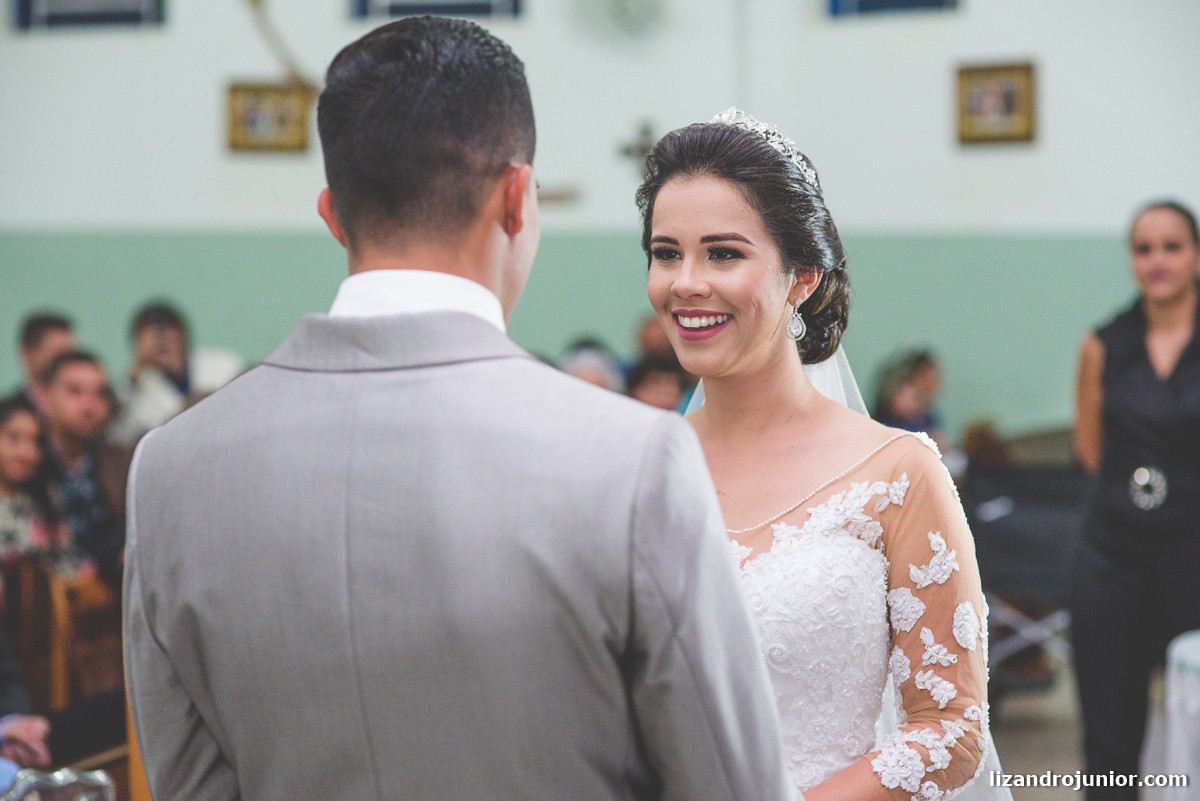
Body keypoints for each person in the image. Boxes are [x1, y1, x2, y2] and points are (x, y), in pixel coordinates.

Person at [124, 18, 795, 801]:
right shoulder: (633, 460)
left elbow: (187, 784)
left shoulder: (169, 466)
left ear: (333, 213)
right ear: (517, 198)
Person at [638, 109, 1009, 800]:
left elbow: (951, 726)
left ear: (802, 275)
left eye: (723, 253)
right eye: (666, 252)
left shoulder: (896, 472)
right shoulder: (633, 470)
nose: (685, 282)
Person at [1071, 200, 1200, 801]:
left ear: (1195, 254)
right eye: (1144, 249)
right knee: (1110, 740)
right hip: (1114, 559)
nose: (1158, 261)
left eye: (1172, 246)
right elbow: (1090, 448)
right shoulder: (1104, 343)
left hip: (1193, 556)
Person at [34, 353, 129, 587]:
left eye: (100, 393)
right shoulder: (26, 461)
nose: (89, 405)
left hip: (112, 602)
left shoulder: (124, 463)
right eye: (74, 391)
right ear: (44, 397)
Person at [109, 301, 244, 446]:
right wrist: (136, 372)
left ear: (183, 335)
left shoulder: (224, 365)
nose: (162, 340)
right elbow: (117, 437)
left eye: (169, 332)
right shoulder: (136, 391)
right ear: (138, 344)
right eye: (153, 337)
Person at [0, 398, 89, 582]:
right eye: (14, 438)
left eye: (37, 442)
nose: (27, 452)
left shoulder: (46, 497)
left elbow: (67, 563)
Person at [8, 314, 75, 417]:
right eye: (59, 354)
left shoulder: (86, 414)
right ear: (28, 355)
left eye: (71, 355)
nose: (67, 362)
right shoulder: (7, 416)